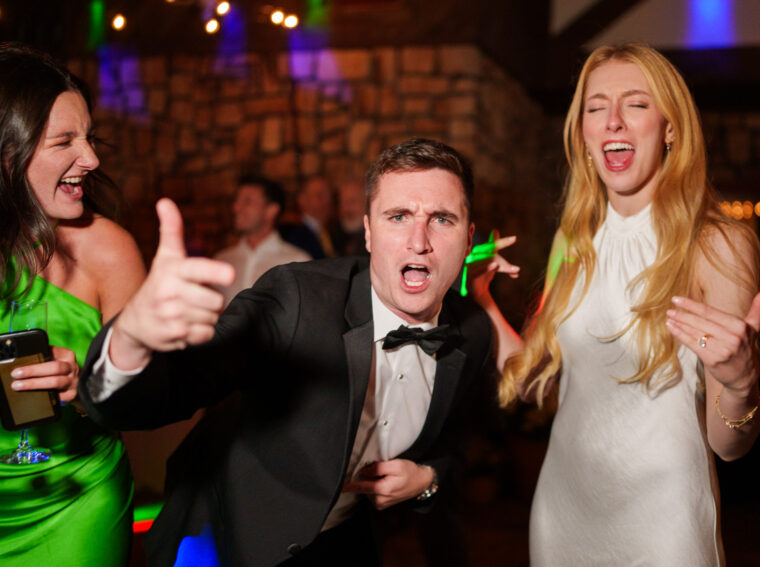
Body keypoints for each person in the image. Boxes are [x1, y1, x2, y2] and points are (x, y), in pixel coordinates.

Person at [77, 138, 495, 567]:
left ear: (468, 238)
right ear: (369, 231)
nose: (418, 241)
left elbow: (459, 442)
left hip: (346, 543)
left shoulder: (473, 332)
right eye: (398, 217)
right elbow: (175, 388)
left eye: (442, 219)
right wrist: (130, 341)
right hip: (228, 538)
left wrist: (429, 478)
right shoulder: (298, 299)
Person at [471, 44, 760, 566]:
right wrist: (483, 303)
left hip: (662, 518)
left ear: (670, 127)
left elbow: (730, 446)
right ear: (583, 131)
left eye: (635, 104)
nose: (612, 120)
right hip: (564, 510)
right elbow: (528, 376)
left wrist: (741, 382)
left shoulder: (716, 244)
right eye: (595, 107)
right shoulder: (575, 237)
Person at [0, 43, 146, 566]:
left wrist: (87, 383)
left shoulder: (108, 250)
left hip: (76, 504)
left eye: (88, 137)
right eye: (65, 141)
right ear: (7, 153)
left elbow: (152, 398)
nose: (92, 159)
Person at [214, 175, 311, 305]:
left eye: (247, 201)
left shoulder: (297, 262)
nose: (236, 208)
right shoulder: (222, 260)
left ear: (271, 211)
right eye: (237, 201)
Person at [278, 176, 337, 259]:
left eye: (330, 196)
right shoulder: (293, 234)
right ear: (302, 200)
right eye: (320, 195)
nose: (327, 201)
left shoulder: (334, 232)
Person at [331, 178, 369, 257]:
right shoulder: (332, 234)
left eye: (352, 201)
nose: (346, 209)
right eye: (342, 202)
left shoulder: (375, 238)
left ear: (367, 204)